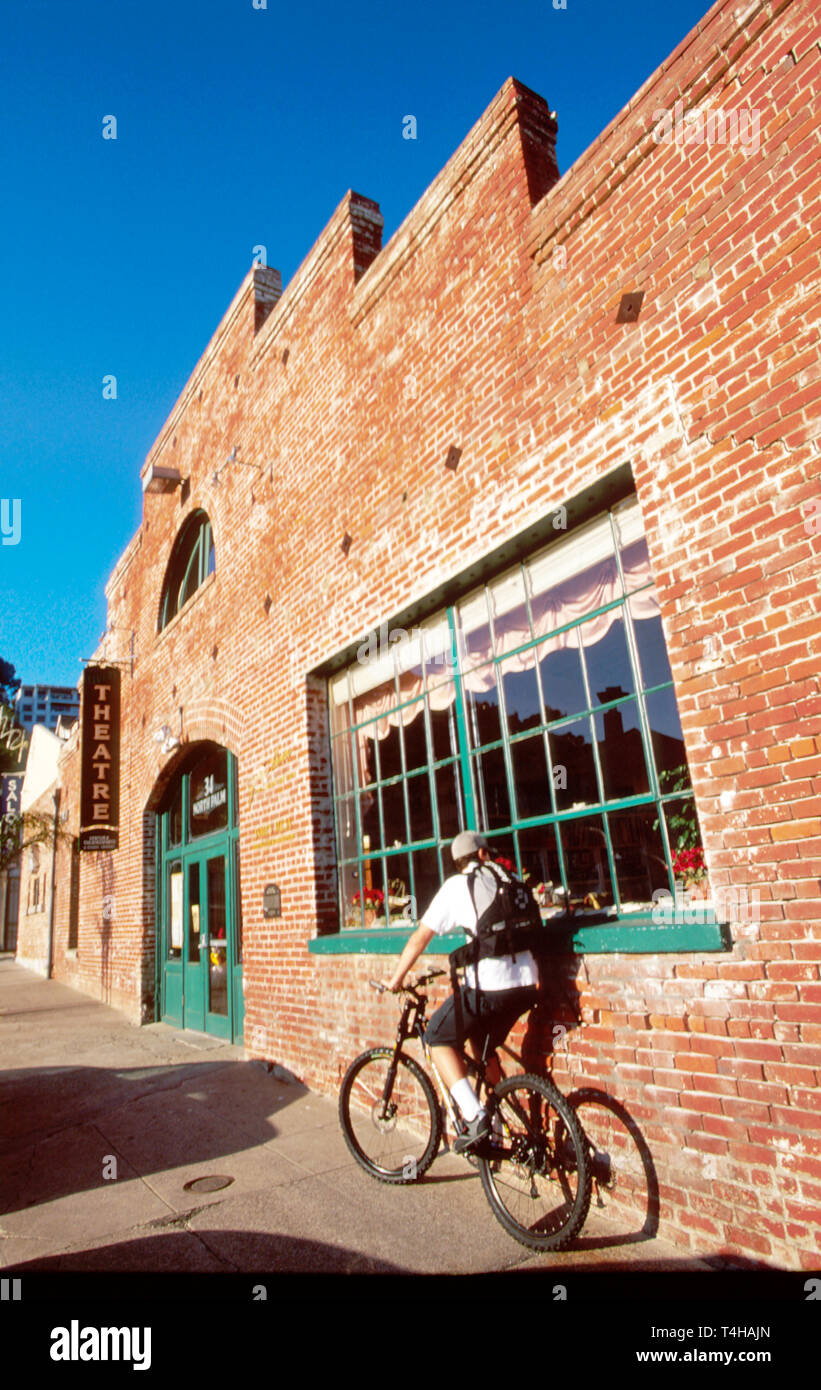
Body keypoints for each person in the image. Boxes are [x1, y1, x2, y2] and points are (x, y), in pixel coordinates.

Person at [386, 830, 540, 1152]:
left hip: (492, 987)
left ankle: (475, 1117)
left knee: (436, 1039)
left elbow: (420, 937)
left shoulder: (458, 885)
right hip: (528, 985)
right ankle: (501, 1131)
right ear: (483, 854)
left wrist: (396, 979)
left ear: (458, 863)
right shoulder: (508, 879)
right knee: (482, 1049)